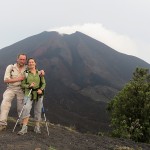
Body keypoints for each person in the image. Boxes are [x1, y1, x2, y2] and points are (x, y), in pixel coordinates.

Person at [0, 54, 44, 131]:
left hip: (22, 89)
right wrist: (19, 78)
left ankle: (21, 123)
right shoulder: (11, 67)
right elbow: (6, 80)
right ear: (17, 59)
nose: (22, 61)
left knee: (21, 107)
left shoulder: (26, 67)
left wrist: (41, 72)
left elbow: (34, 70)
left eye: (24, 60)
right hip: (11, 88)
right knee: (5, 104)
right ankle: (2, 123)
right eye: (21, 59)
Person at [18, 58, 46, 135]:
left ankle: (37, 127)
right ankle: (24, 127)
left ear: (35, 63)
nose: (31, 63)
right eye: (29, 62)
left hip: (38, 94)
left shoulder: (40, 73)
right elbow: (22, 84)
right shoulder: (26, 73)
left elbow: (43, 83)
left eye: (32, 62)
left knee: (38, 110)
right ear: (28, 64)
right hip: (28, 93)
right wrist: (29, 85)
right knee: (26, 108)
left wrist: (41, 89)